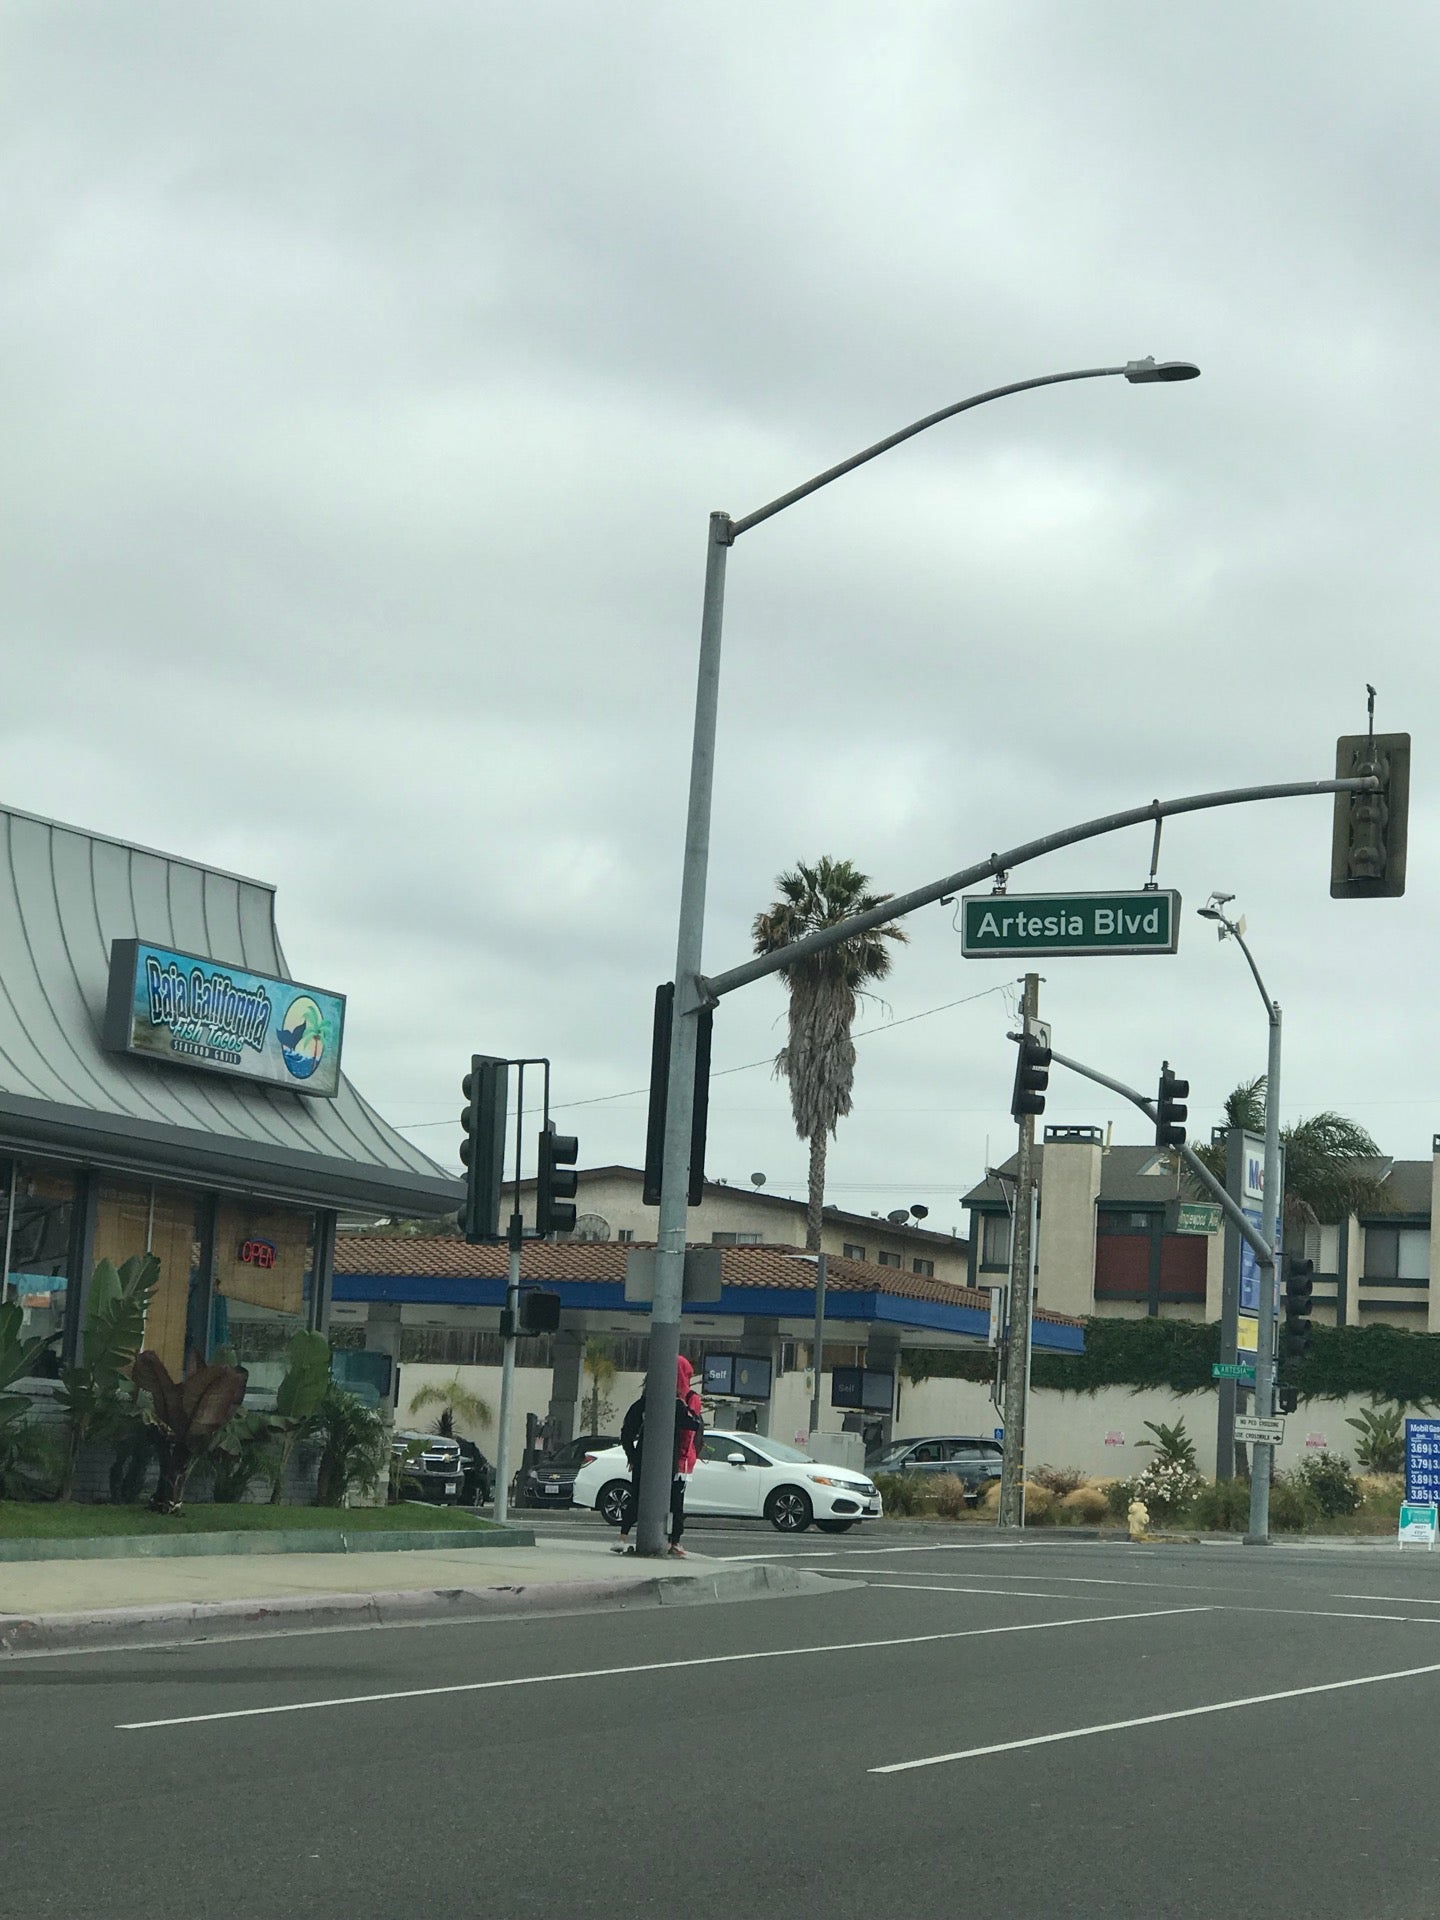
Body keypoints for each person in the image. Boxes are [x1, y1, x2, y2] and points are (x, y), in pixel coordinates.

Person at [613, 1355, 704, 1556]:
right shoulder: (680, 1404)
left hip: (643, 1459)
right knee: (673, 1503)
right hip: (672, 1461)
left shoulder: (642, 1403)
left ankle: (622, 1536)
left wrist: (633, 1455)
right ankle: (673, 1540)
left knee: (637, 1496)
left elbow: (626, 1432)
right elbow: (693, 1426)